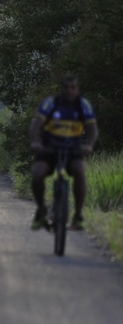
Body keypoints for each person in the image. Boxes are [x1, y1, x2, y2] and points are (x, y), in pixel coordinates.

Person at [29, 75, 98, 230]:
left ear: (77, 89)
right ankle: (41, 209)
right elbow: (35, 125)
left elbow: (92, 129)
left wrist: (89, 145)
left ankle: (78, 215)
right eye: (66, 88)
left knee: (79, 170)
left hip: (73, 149)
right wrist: (35, 142)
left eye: (73, 87)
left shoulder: (83, 105)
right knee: (38, 173)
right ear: (61, 89)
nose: (69, 91)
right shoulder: (50, 103)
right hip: (49, 148)